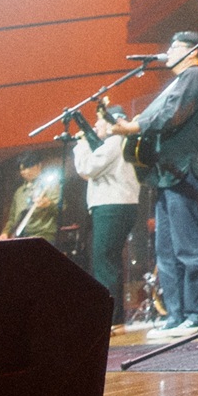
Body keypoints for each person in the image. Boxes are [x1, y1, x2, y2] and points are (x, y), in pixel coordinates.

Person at [106, 31, 198, 339]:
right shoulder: (179, 81)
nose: (168, 50)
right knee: (166, 250)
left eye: (175, 46)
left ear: (193, 52)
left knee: (190, 247)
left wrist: (134, 126)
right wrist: (134, 125)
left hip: (186, 170)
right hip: (169, 173)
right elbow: (157, 112)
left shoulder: (196, 75)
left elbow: (172, 113)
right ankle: (176, 315)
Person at [70, 113, 141, 325]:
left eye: (99, 121)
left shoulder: (114, 142)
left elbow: (87, 168)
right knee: (110, 262)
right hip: (120, 206)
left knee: (104, 263)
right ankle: (114, 317)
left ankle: (109, 319)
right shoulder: (117, 143)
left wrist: (81, 144)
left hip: (111, 207)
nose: (95, 125)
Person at [0, 155, 60, 241]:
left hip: (42, 236)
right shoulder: (19, 192)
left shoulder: (51, 186)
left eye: (27, 168)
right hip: (20, 236)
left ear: (38, 166)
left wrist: (49, 204)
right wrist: (5, 232)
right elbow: (12, 218)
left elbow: (62, 210)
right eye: (21, 169)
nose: (24, 172)